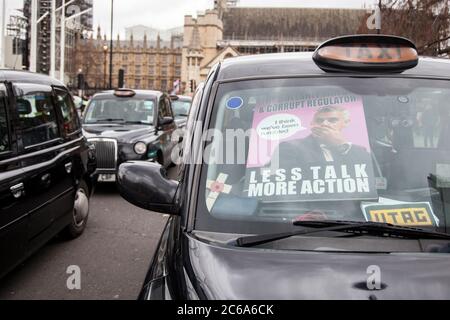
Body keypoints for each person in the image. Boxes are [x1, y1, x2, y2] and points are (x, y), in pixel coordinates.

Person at [272, 106, 371, 168]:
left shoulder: (359, 151)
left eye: (332, 120)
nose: (324, 124)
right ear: (312, 124)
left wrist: (340, 145)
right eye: (319, 121)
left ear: (345, 123)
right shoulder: (290, 147)